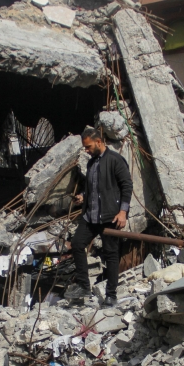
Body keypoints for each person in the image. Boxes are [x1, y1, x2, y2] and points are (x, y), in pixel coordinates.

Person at [65, 126, 133, 306]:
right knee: (77, 244)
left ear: (98, 142)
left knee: (111, 254)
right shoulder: (91, 163)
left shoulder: (115, 160)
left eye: (88, 147)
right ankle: (83, 286)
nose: (86, 150)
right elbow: (93, 188)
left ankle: (111, 295)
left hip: (110, 216)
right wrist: (83, 196)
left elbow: (127, 186)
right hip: (91, 216)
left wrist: (123, 212)